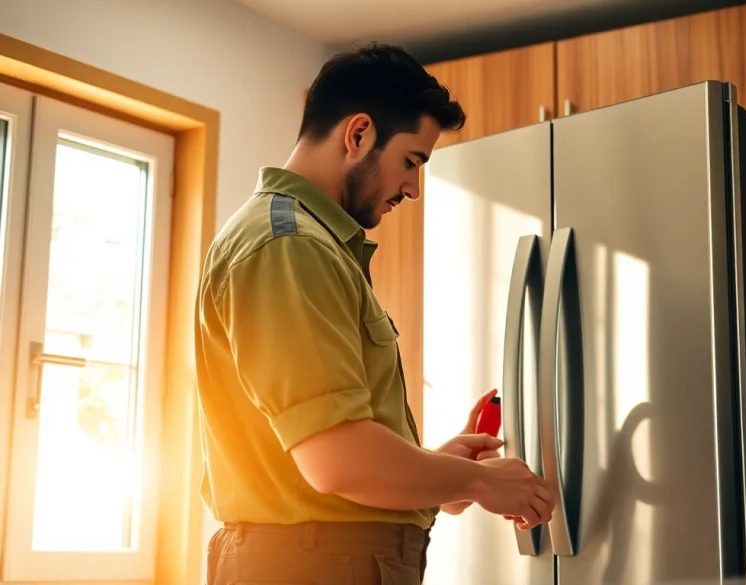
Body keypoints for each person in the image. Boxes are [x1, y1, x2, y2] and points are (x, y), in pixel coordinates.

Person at [195, 43, 555, 584]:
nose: (412, 187)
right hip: (316, 564)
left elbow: (331, 458)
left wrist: (443, 470)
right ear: (358, 133)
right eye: (411, 161)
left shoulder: (308, 243)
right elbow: (339, 462)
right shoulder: (290, 246)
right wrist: (478, 482)